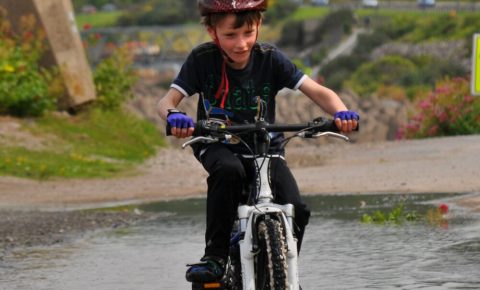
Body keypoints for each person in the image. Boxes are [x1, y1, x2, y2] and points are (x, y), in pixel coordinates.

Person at [157, 0, 359, 283]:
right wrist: (174, 116)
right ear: (212, 31)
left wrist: (341, 112)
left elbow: (317, 91)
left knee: (297, 209)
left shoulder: (270, 58)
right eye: (230, 35)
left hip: (266, 147)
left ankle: (282, 271)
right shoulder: (202, 59)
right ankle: (215, 256)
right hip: (218, 142)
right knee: (229, 172)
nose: (241, 43)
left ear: (258, 26)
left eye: (248, 33)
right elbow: (167, 101)